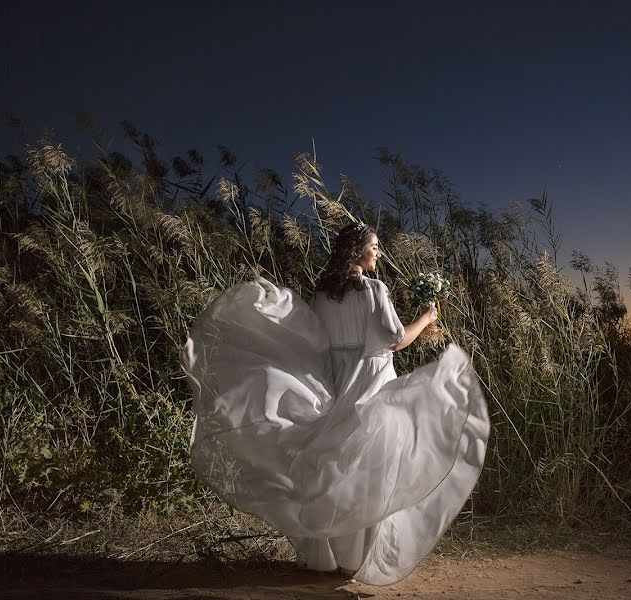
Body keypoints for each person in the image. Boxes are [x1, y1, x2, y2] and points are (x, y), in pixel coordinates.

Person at [181, 221, 490, 586]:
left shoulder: (322, 295)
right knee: (373, 467)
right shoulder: (375, 289)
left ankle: (327, 556)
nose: (378, 252)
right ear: (357, 250)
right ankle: (357, 557)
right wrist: (426, 319)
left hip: (340, 381)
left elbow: (321, 341)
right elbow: (393, 340)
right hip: (373, 380)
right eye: (374, 246)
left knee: (335, 465)